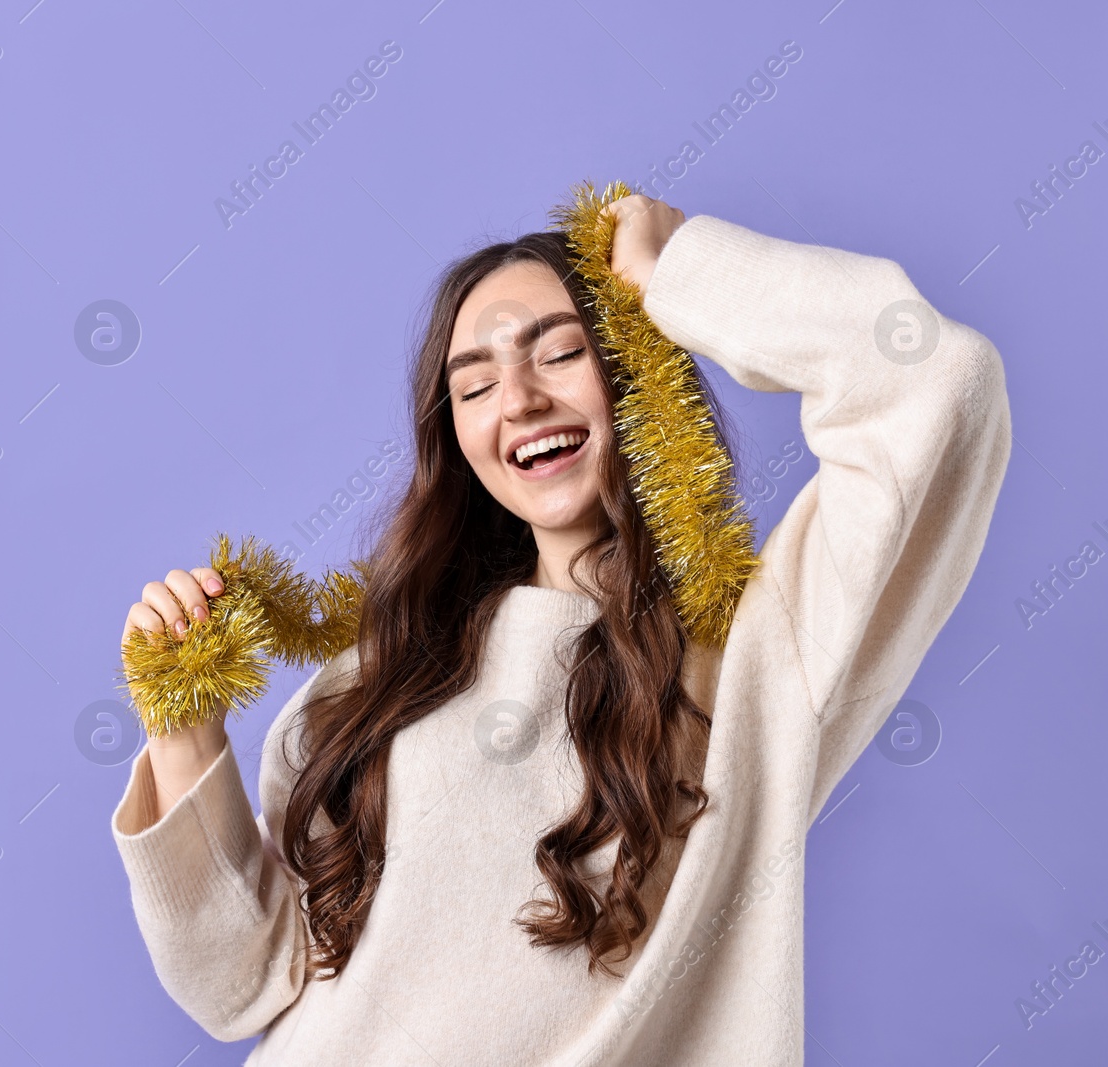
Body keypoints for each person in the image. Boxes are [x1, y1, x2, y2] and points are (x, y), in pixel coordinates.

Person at [110, 194, 1012, 1065]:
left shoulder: (759, 658)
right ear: (455, 436)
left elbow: (941, 383)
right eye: (475, 386)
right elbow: (243, 984)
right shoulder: (380, 675)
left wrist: (681, 269)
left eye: (560, 352)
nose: (520, 399)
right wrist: (183, 740)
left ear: (634, 365)